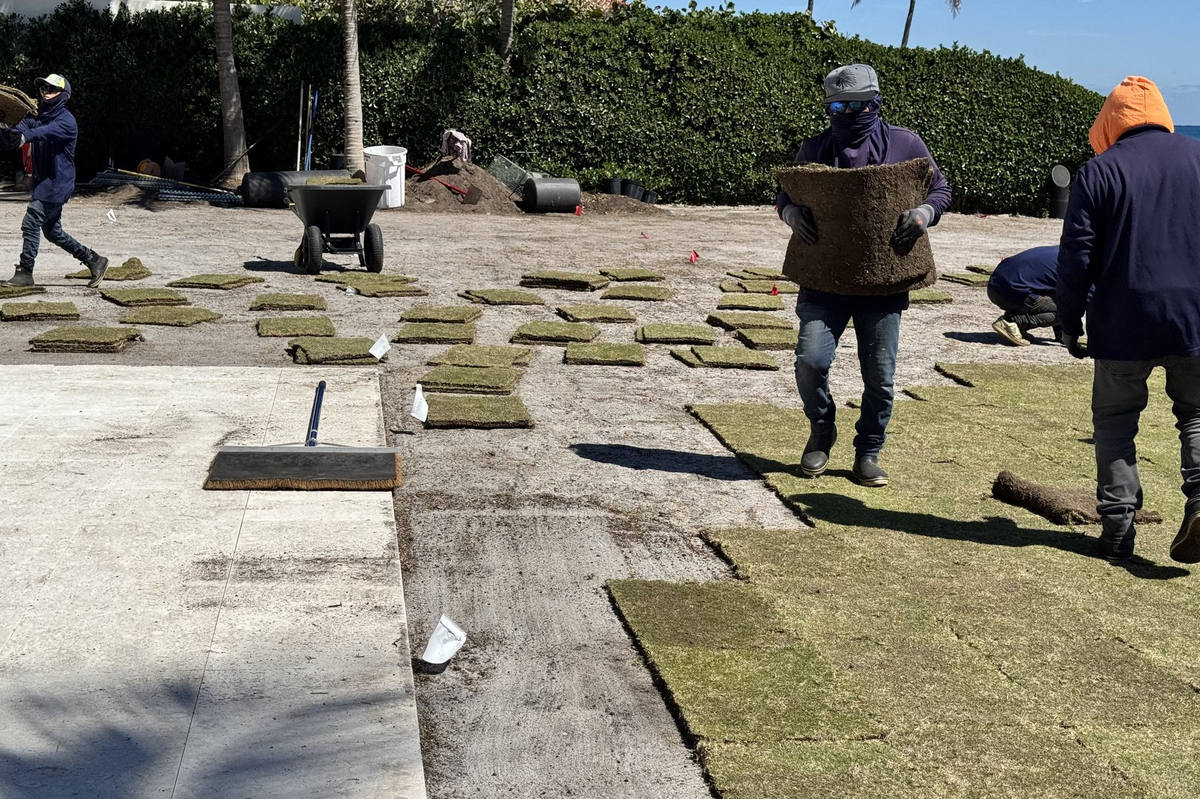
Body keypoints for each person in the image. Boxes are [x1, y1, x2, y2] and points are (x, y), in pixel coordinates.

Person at [776, 63, 951, 487]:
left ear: (875, 104)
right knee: (810, 362)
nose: (847, 114)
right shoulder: (815, 149)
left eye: (856, 106)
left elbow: (940, 189)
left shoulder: (905, 144)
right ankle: (821, 428)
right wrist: (789, 212)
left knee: (879, 376)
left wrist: (925, 213)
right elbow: (786, 192)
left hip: (883, 285)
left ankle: (869, 449)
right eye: (837, 105)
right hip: (824, 281)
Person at [1056, 76, 1200, 564]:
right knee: (1197, 415)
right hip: (1195, 318)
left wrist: (1067, 319)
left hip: (1123, 318)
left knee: (1116, 422)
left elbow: (1077, 255)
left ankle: (1117, 528)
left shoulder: (1100, 170)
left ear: (1111, 120)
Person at [0, 74, 107, 287]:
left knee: (31, 222)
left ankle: (25, 272)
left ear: (63, 94)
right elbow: (18, 133)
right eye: (43, 87)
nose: (45, 91)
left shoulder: (66, 121)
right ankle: (94, 260)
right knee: (53, 232)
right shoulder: (36, 115)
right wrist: (4, 129)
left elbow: (41, 133)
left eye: (51, 88)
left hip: (58, 183)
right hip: (44, 182)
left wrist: (23, 136)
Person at [987, 245, 1063, 346]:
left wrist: (1061, 336)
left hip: (995, 285)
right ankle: (1013, 323)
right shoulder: (1080, 266)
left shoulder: (1064, 250)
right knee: (1068, 310)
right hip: (1010, 292)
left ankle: (1015, 323)